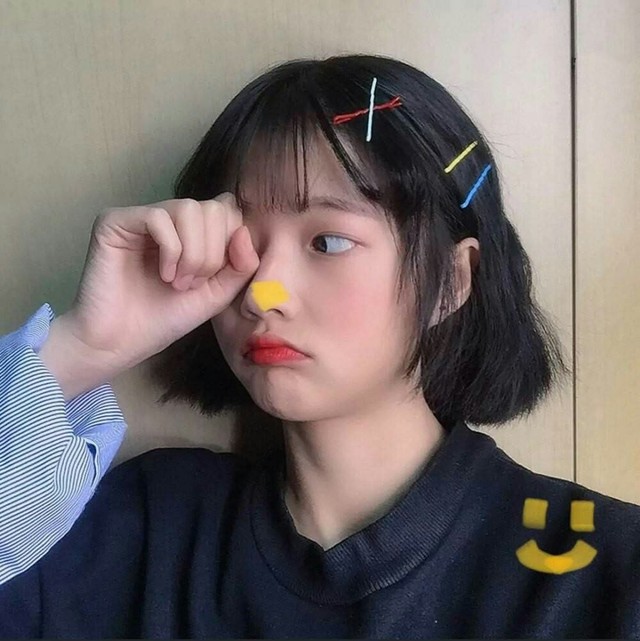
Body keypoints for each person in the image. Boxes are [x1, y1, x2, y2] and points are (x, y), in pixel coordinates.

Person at [1, 53, 639, 639]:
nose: (263, 292)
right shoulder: (145, 530)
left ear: (451, 282)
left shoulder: (595, 565)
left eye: (327, 242)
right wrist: (82, 350)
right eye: (241, 243)